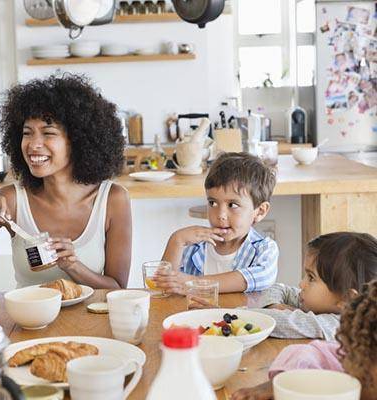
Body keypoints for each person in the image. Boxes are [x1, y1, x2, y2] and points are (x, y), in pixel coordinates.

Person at [0, 73, 131, 288]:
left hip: (91, 320)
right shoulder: (11, 199)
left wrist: (73, 266)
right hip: (29, 320)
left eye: (48, 133)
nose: (33, 144)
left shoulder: (113, 199)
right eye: (27, 133)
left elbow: (118, 289)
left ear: (78, 141)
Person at [231, 279, 377, 400]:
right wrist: (280, 383)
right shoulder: (354, 349)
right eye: (354, 358)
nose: (349, 364)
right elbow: (312, 352)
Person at [154, 152, 278, 294]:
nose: (220, 215)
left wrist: (193, 284)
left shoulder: (264, 249)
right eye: (212, 203)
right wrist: (176, 240)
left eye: (232, 205)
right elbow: (163, 290)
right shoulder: (195, 247)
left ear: (260, 211)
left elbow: (257, 277)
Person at [251, 232, 377, 341]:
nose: (301, 284)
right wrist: (274, 305)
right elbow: (278, 288)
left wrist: (238, 314)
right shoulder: (316, 301)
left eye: (311, 278)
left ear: (346, 298)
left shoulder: (341, 325)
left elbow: (277, 322)